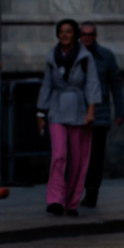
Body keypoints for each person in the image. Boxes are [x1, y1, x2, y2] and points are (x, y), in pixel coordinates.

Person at [36, 18, 102, 216]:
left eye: (68, 31)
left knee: (78, 159)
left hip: (78, 110)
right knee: (59, 155)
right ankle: (55, 199)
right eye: (61, 32)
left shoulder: (85, 57)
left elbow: (92, 83)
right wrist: (41, 111)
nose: (64, 35)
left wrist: (91, 110)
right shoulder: (52, 56)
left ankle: (72, 201)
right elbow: (47, 84)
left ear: (75, 35)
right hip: (57, 110)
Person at [80, 23, 124, 210]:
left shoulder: (106, 56)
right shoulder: (75, 55)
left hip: (100, 114)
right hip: (77, 114)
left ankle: (91, 192)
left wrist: (120, 111)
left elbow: (116, 85)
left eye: (90, 35)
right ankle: (76, 190)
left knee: (96, 157)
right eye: (84, 35)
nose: (87, 38)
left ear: (95, 35)